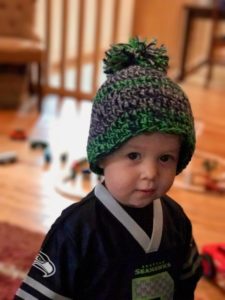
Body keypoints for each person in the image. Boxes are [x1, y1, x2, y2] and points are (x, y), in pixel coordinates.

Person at [15, 37, 202, 300]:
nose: (150, 172)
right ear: (102, 156)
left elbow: (187, 281)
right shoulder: (76, 231)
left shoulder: (176, 220)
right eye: (134, 155)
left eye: (165, 158)